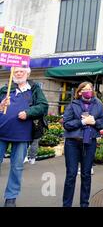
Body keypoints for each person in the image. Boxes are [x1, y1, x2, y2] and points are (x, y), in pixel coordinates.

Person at [0, 66, 49, 207]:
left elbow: (43, 106)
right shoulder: (5, 89)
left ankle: (11, 198)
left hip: (22, 135)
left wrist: (28, 112)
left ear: (27, 73)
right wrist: (1, 105)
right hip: (1, 132)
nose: (19, 73)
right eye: (16, 71)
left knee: (16, 167)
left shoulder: (34, 89)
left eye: (22, 71)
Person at [62, 82, 103, 207]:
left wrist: (94, 122)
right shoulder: (73, 104)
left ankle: (84, 204)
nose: (88, 91)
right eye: (85, 89)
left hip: (89, 142)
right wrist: (82, 122)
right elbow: (66, 124)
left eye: (90, 89)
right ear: (80, 91)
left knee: (86, 174)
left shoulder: (98, 104)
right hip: (73, 143)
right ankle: (66, 204)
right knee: (71, 174)